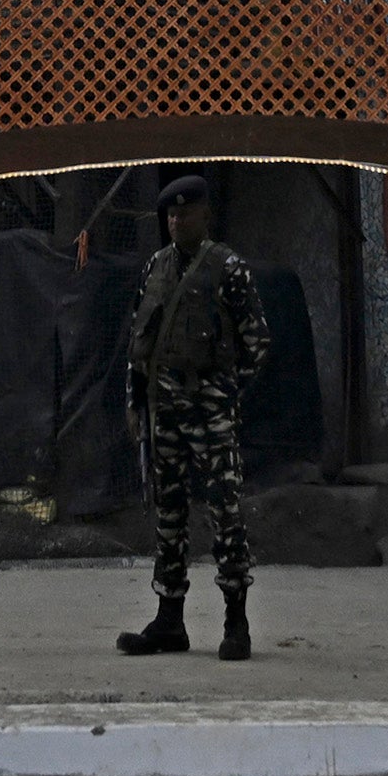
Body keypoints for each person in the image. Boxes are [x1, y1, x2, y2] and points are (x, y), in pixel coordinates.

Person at [118, 172, 269, 661]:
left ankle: (235, 619)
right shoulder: (155, 268)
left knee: (225, 511)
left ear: (206, 215)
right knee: (170, 513)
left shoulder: (229, 269)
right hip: (164, 412)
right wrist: (137, 402)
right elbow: (140, 342)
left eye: (185, 213)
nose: (176, 221)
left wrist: (222, 391)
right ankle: (169, 620)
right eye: (170, 215)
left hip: (210, 411)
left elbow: (256, 342)